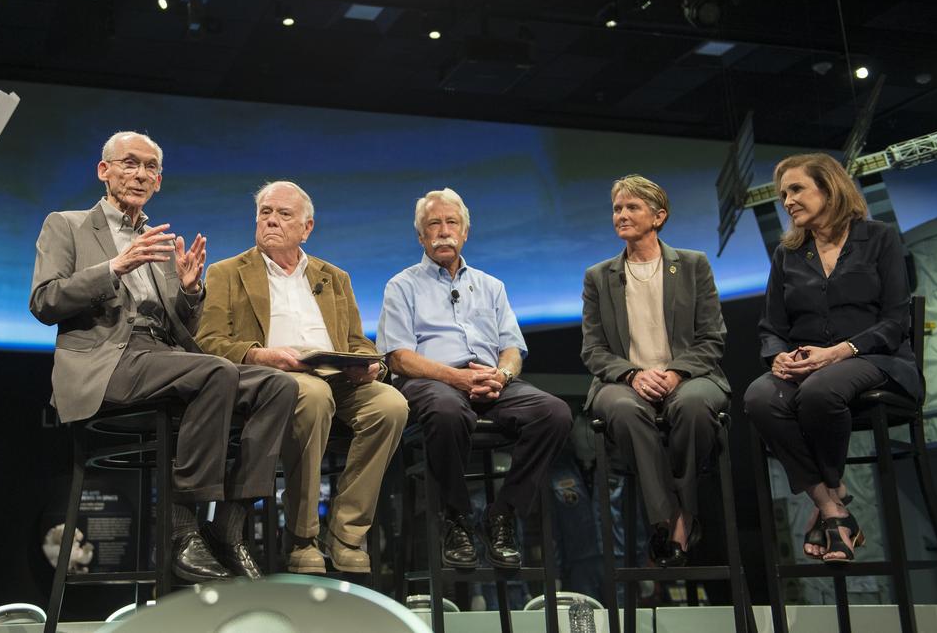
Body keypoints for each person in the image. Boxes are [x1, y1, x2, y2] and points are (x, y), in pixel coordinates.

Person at [29, 132, 296, 581]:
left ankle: (228, 526)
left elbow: (181, 331)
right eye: (130, 163)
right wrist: (114, 267)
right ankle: (183, 530)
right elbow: (44, 301)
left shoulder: (157, 242)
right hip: (107, 361)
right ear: (104, 171)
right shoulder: (67, 225)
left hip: (162, 356)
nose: (140, 174)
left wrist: (189, 293)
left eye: (150, 167)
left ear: (159, 181)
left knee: (277, 386)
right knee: (215, 373)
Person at [196, 181, 408, 574]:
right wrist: (260, 355)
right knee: (313, 395)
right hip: (274, 380)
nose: (271, 220)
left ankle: (346, 533)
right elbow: (208, 341)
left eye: (283, 214)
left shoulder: (335, 277)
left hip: (338, 377)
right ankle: (302, 538)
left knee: (391, 405)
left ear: (306, 228)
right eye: (265, 213)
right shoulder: (226, 272)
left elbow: (357, 341)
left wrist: (369, 364)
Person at [378, 188, 572, 569]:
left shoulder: (491, 286)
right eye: (434, 224)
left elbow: (512, 348)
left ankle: (503, 514)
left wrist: (502, 375)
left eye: (451, 222)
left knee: (555, 414)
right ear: (421, 236)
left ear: (465, 232)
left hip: (489, 381)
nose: (443, 231)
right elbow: (398, 357)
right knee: (448, 411)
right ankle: (456, 519)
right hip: (432, 383)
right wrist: (457, 378)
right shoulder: (401, 286)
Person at [744, 153, 921, 563]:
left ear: (829, 188)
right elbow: (771, 326)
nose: (787, 201)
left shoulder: (879, 238)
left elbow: (896, 320)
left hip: (876, 358)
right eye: (782, 194)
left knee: (820, 391)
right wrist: (778, 357)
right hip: (809, 365)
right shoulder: (788, 253)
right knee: (759, 397)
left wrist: (841, 351)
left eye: (796, 189)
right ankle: (832, 505)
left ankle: (828, 506)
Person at [579, 175, 729, 567]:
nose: (622, 215)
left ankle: (683, 514)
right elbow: (593, 350)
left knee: (693, 407)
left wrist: (676, 373)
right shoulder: (598, 277)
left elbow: (712, 338)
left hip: (690, 378)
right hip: (623, 382)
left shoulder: (693, 265)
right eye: (617, 208)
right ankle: (669, 518)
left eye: (632, 207)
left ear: (658, 217)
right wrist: (632, 375)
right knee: (625, 410)